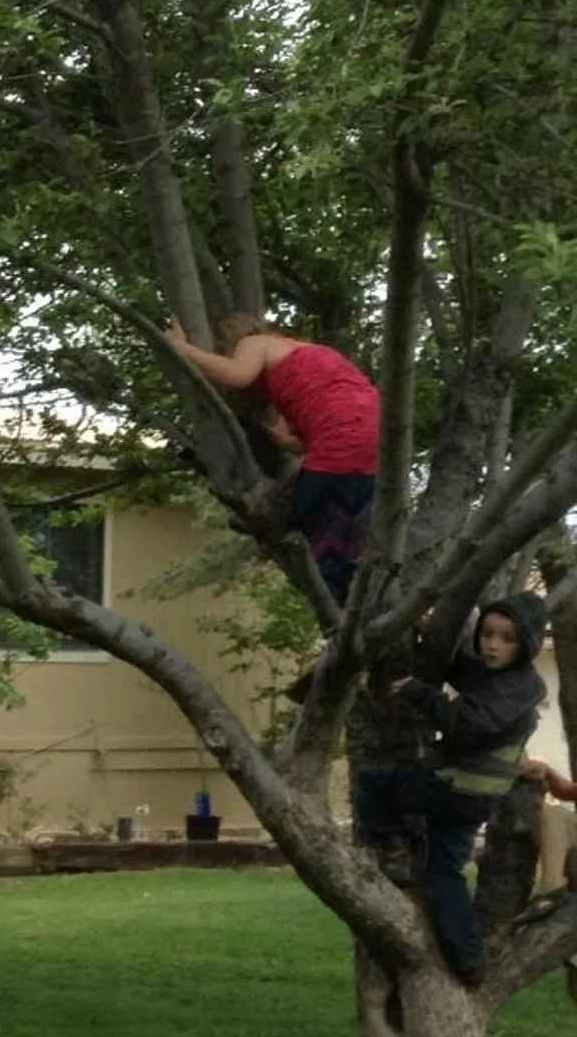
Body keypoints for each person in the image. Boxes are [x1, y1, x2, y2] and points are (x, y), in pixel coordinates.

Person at [354, 593, 550, 981]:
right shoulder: (506, 679)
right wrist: (433, 640)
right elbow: (468, 672)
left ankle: (394, 843)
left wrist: (418, 693)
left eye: (506, 638)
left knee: (373, 783)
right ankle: (469, 962)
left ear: (525, 643)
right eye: (488, 634)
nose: (492, 645)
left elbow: (466, 722)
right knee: (444, 874)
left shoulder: (514, 688)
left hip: (452, 788)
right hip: (477, 799)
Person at [164, 313, 381, 606]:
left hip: (340, 437)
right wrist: (277, 436)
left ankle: (340, 612)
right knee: (347, 531)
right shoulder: (303, 357)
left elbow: (236, 374)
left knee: (310, 523)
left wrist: (181, 348)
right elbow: (300, 444)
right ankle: (368, 602)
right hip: (374, 440)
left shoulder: (257, 342)